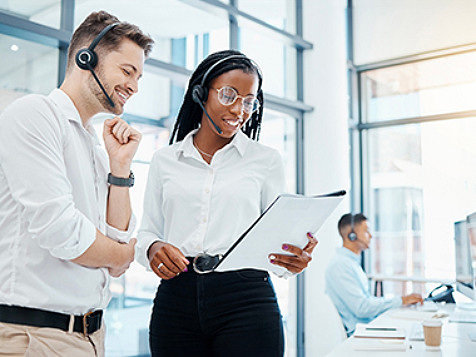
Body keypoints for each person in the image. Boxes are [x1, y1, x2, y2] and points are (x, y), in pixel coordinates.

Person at [136, 49, 317, 357]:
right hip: (176, 296)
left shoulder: (266, 161)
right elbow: (147, 232)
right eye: (229, 95)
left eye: (249, 100)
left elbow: (276, 238)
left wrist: (292, 259)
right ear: (201, 93)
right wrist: (153, 249)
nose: (240, 109)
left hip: (246, 296)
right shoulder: (165, 160)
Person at [0, 11, 154, 356]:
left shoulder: (94, 146)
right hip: (35, 335)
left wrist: (120, 168)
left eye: (139, 76)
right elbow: (62, 232)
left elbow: (112, 240)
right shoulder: (35, 115)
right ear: (86, 58)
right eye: (127, 71)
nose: (134, 86)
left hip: (88, 336)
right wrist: (126, 254)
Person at [325, 213, 423, 336]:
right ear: (352, 235)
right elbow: (362, 308)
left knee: (411, 327)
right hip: (361, 332)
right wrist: (401, 300)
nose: (371, 236)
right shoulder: (341, 266)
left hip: (369, 326)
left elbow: (366, 302)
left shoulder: (351, 264)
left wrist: (400, 302)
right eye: (366, 231)